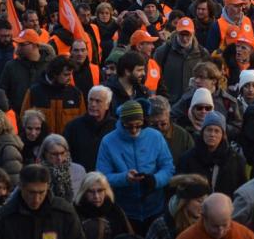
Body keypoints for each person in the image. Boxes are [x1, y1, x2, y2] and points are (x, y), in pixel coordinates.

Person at [97, 100, 175, 235]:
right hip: (124, 211)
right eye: (129, 126)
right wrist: (124, 178)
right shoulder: (108, 141)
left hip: (155, 208)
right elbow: (102, 176)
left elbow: (168, 168)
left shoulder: (155, 137)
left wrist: (155, 180)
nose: (133, 130)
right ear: (121, 123)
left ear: (143, 122)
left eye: (138, 126)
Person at [0, 164, 83, 239]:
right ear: (21, 187)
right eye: (31, 192)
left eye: (41, 192)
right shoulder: (3, 217)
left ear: (47, 187)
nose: (36, 199)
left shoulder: (64, 213)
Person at [177, 111, 247, 196]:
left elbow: (241, 189)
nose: (212, 134)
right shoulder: (187, 159)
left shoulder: (235, 160)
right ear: (202, 132)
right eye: (209, 130)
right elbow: (181, 189)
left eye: (217, 131)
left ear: (223, 135)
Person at [21, 56, 86, 134]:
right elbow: (24, 120)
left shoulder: (76, 94)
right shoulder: (34, 92)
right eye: (66, 75)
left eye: (70, 74)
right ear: (55, 74)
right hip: (41, 144)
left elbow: (82, 124)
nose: (70, 78)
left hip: (68, 144)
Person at [155, 17, 210, 103]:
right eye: (182, 34)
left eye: (187, 35)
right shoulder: (162, 52)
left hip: (193, 104)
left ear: (193, 33)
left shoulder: (203, 54)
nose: (184, 39)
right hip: (169, 104)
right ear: (176, 33)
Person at [62, 85, 116, 172]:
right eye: (91, 100)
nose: (93, 104)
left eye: (98, 101)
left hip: (107, 179)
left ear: (107, 105)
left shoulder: (116, 127)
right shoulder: (73, 126)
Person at [145, 174, 210, 239]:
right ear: (185, 202)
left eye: (206, 200)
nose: (204, 205)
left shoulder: (210, 223)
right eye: (199, 201)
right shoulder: (161, 225)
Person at [72, 171, 133, 239]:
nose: (96, 196)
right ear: (84, 192)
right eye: (91, 191)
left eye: (100, 190)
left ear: (106, 191)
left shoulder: (115, 211)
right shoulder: (75, 213)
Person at [177, 193, 254, 239]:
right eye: (215, 226)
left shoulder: (244, 235)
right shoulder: (187, 237)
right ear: (204, 216)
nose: (220, 231)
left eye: (225, 225)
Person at [36, 134, 86, 202]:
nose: (59, 158)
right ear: (45, 153)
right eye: (54, 154)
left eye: (62, 153)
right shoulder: (36, 172)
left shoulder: (79, 170)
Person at [146, 95, 195, 162]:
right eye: (154, 125)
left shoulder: (183, 137)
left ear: (168, 116)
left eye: (163, 124)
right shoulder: (142, 135)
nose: (159, 128)